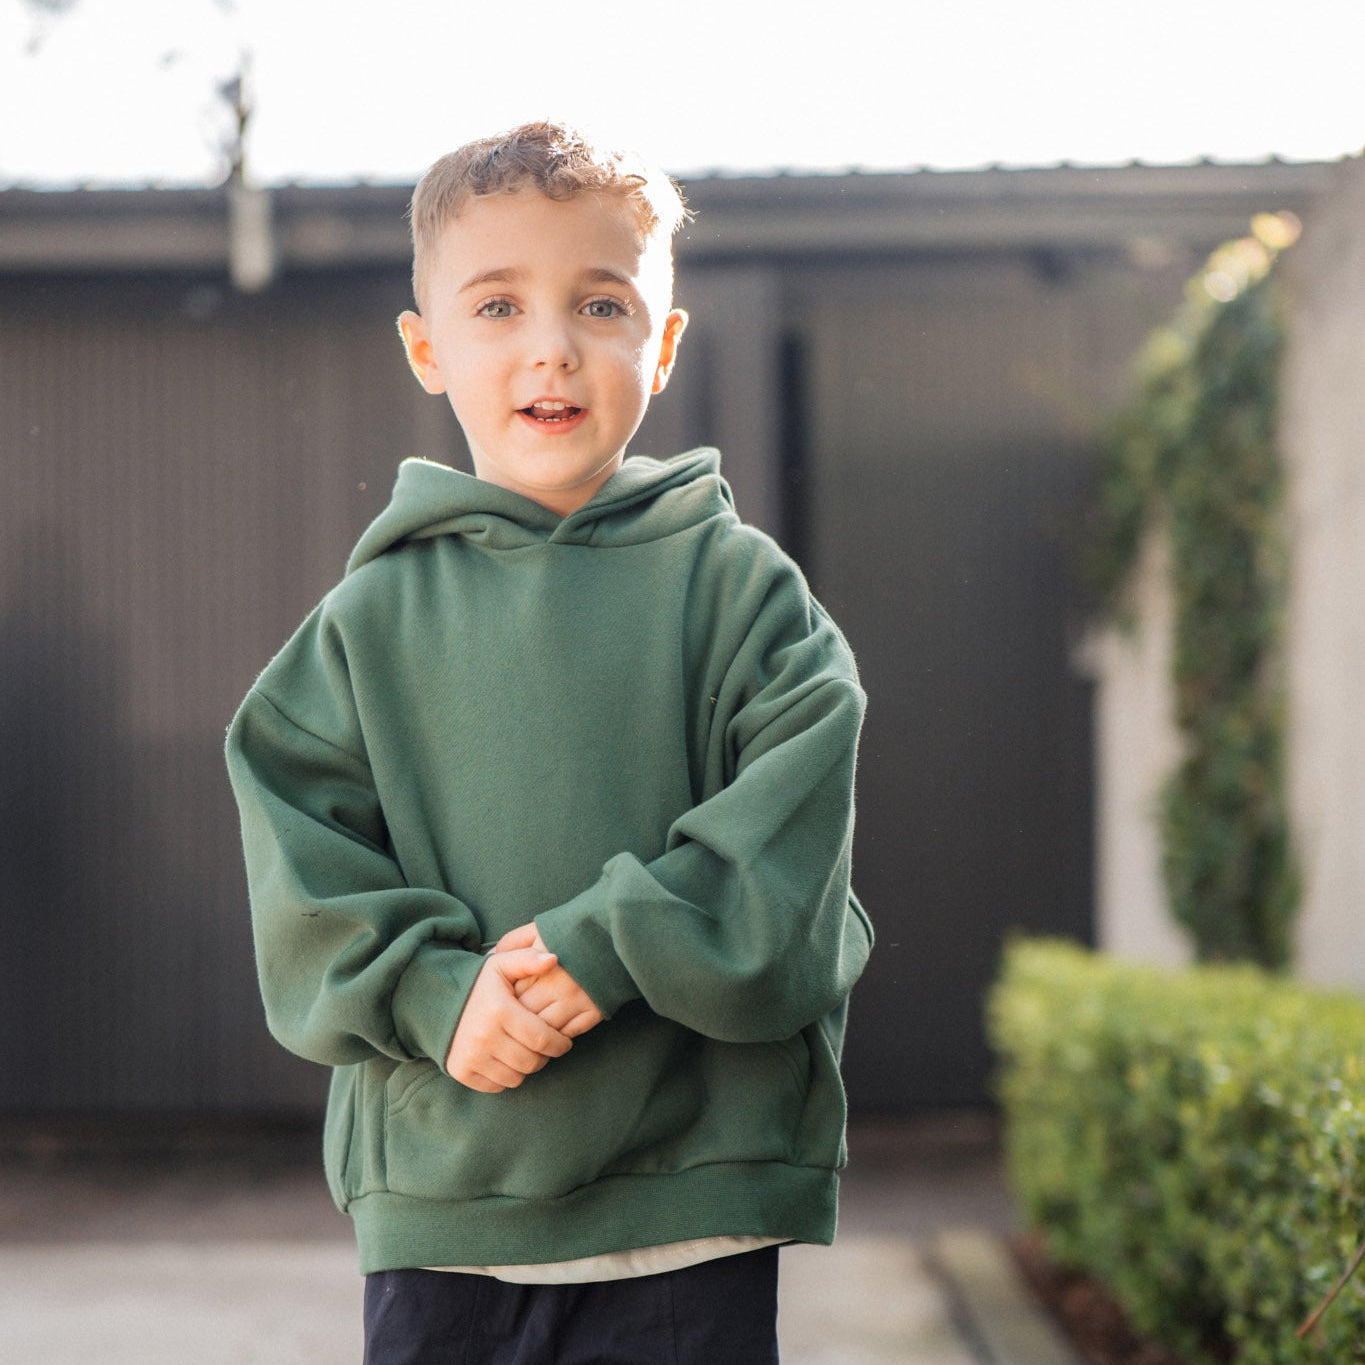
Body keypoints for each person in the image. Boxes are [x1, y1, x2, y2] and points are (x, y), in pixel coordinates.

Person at [225, 120, 871, 1365]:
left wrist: (605, 949)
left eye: (601, 304)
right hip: (446, 1202)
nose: (552, 347)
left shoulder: (747, 599)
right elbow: (305, 877)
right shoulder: (365, 624)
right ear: (426, 348)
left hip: (693, 1206)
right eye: (498, 306)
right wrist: (435, 993)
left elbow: (785, 872)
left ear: (663, 344)